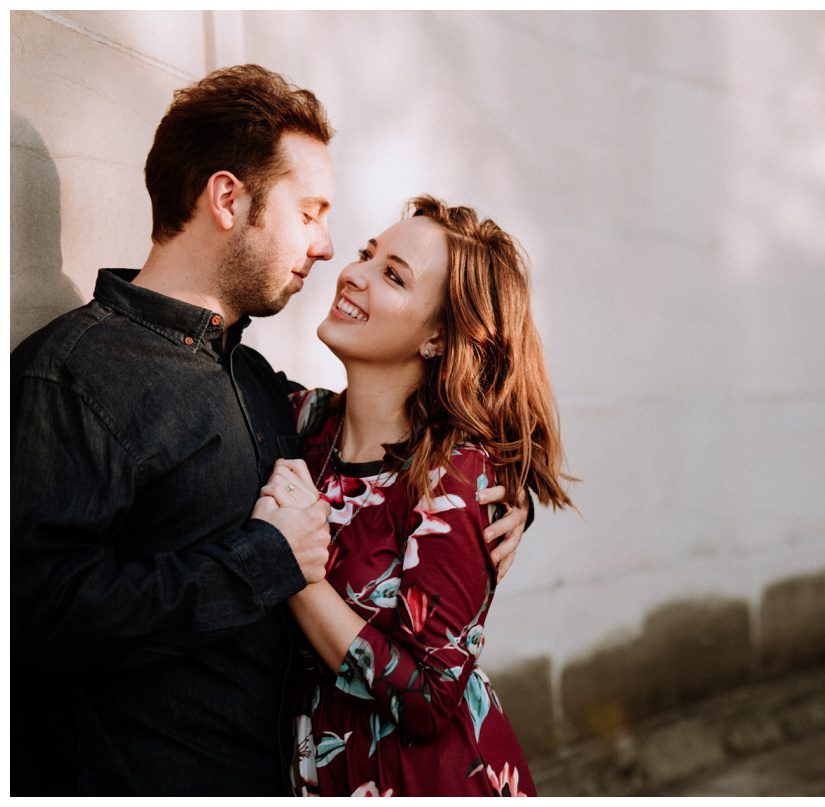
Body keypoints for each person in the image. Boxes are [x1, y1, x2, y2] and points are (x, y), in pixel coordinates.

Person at [9, 65, 529, 796]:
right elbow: (29, 611)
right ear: (229, 198)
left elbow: (426, 445)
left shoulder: (258, 386)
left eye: (389, 267)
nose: (327, 249)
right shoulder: (71, 375)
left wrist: (505, 496)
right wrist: (263, 562)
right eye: (310, 211)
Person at [250, 195, 574, 796]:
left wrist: (292, 570)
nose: (354, 273)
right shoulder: (301, 424)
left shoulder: (454, 477)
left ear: (438, 337)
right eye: (367, 255)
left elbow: (428, 698)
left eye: (393, 276)